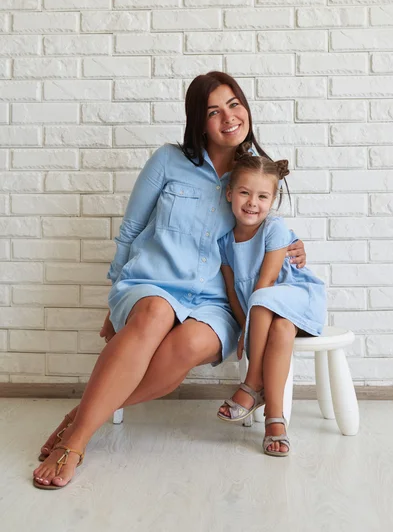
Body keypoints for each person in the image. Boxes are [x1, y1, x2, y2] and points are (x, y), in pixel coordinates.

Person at [33, 71, 307, 488]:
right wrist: (112, 302)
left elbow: (264, 231)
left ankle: (81, 414)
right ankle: (77, 441)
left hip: (215, 299)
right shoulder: (167, 160)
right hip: (153, 283)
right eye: (214, 111)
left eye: (235, 105)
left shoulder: (254, 173)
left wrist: (295, 246)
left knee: (192, 343)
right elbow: (129, 231)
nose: (229, 117)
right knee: (156, 314)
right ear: (199, 121)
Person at [216, 146, 326, 456]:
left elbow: (265, 284)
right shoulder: (224, 242)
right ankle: (274, 419)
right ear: (229, 194)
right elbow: (232, 293)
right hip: (271, 318)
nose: (252, 203)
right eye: (245, 193)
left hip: (298, 301)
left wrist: (250, 322)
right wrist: (242, 329)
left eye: (262, 197)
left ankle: (252, 385)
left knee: (263, 297)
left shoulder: (274, 229)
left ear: (272, 201)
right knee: (279, 329)